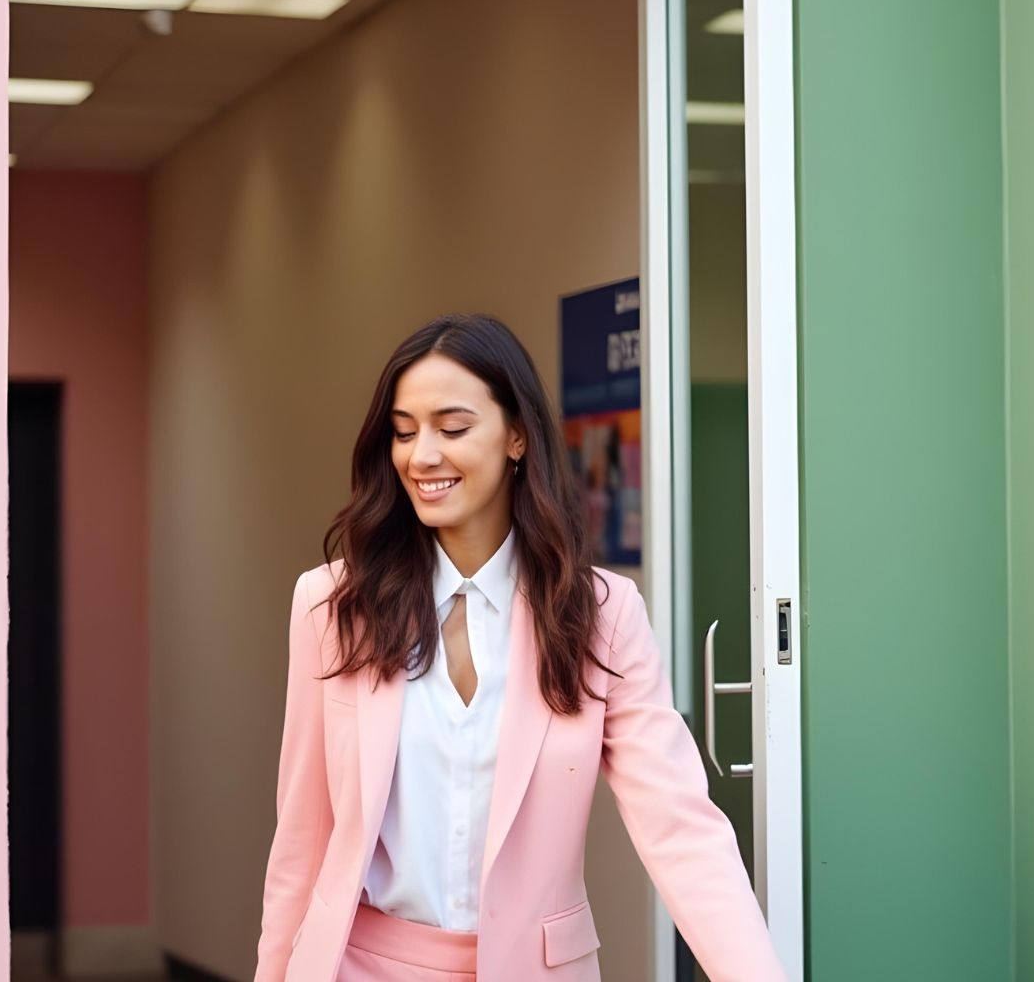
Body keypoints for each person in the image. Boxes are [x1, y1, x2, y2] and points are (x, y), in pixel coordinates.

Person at [255, 313, 786, 981]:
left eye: (452, 429)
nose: (422, 456)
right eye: (403, 431)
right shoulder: (332, 607)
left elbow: (679, 827)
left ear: (516, 437)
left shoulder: (600, 615)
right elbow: (300, 841)